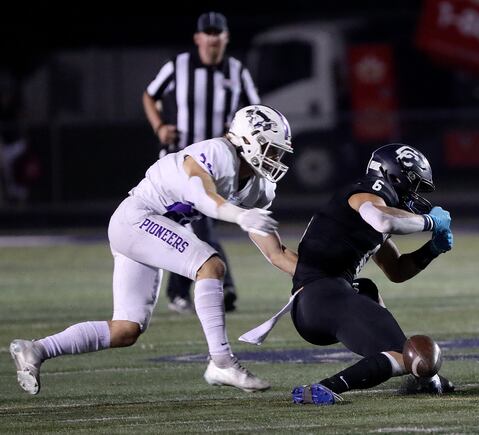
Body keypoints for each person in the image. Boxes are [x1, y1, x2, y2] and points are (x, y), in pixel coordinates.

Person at [9, 104, 297, 395]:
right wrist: (239, 215)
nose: (275, 159)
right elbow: (202, 195)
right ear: (247, 140)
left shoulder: (258, 187)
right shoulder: (217, 153)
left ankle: (35, 350)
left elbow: (276, 253)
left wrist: (315, 275)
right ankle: (222, 361)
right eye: (271, 150)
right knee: (210, 265)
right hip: (137, 218)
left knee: (126, 329)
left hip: (147, 230)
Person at [285, 143, 454, 405]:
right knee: (403, 354)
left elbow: (396, 270)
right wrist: (429, 222)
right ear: (394, 177)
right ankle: (324, 388)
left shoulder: (371, 206)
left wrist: (431, 250)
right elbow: (383, 220)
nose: (415, 195)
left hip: (320, 300)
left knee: (367, 289)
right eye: (414, 185)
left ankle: (422, 377)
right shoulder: (370, 190)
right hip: (322, 296)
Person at [143, 11, 260, 313]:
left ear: (226, 37)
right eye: (207, 33)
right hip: (182, 163)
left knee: (193, 225)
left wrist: (238, 132)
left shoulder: (237, 70)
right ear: (197, 38)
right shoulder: (178, 65)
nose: (212, 38)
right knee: (197, 225)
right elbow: (149, 95)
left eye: (217, 33)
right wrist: (160, 127)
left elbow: (255, 111)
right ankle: (223, 286)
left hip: (218, 165)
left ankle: (181, 291)